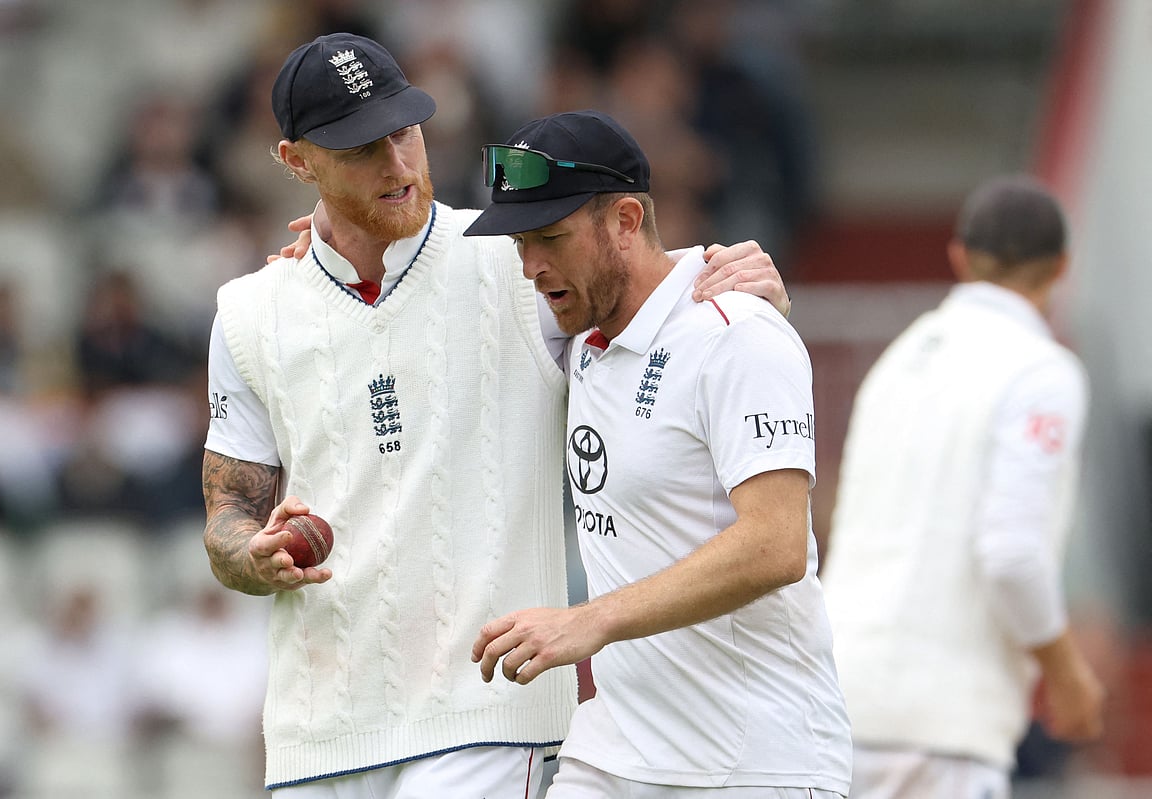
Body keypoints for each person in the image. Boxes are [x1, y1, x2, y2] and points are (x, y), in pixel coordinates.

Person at [201, 33, 790, 797]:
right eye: (359, 150)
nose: (400, 165)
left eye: (404, 132)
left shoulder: (515, 259)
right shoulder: (249, 312)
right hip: (317, 732)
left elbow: (646, 283)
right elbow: (226, 518)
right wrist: (253, 552)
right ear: (296, 161)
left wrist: (743, 282)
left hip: (489, 716)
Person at [467, 110, 852, 798]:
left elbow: (776, 545)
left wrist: (590, 618)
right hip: (613, 754)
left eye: (550, 238)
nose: (530, 267)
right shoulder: (573, 323)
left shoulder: (738, 333)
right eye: (522, 242)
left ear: (624, 221)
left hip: (755, 761)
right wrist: (321, 252)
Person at [817, 175, 1106, 798]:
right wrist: (1067, 674)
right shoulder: (1042, 371)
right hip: (941, 735)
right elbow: (1011, 554)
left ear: (958, 256)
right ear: (1061, 267)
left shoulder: (899, 358)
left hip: (834, 707)